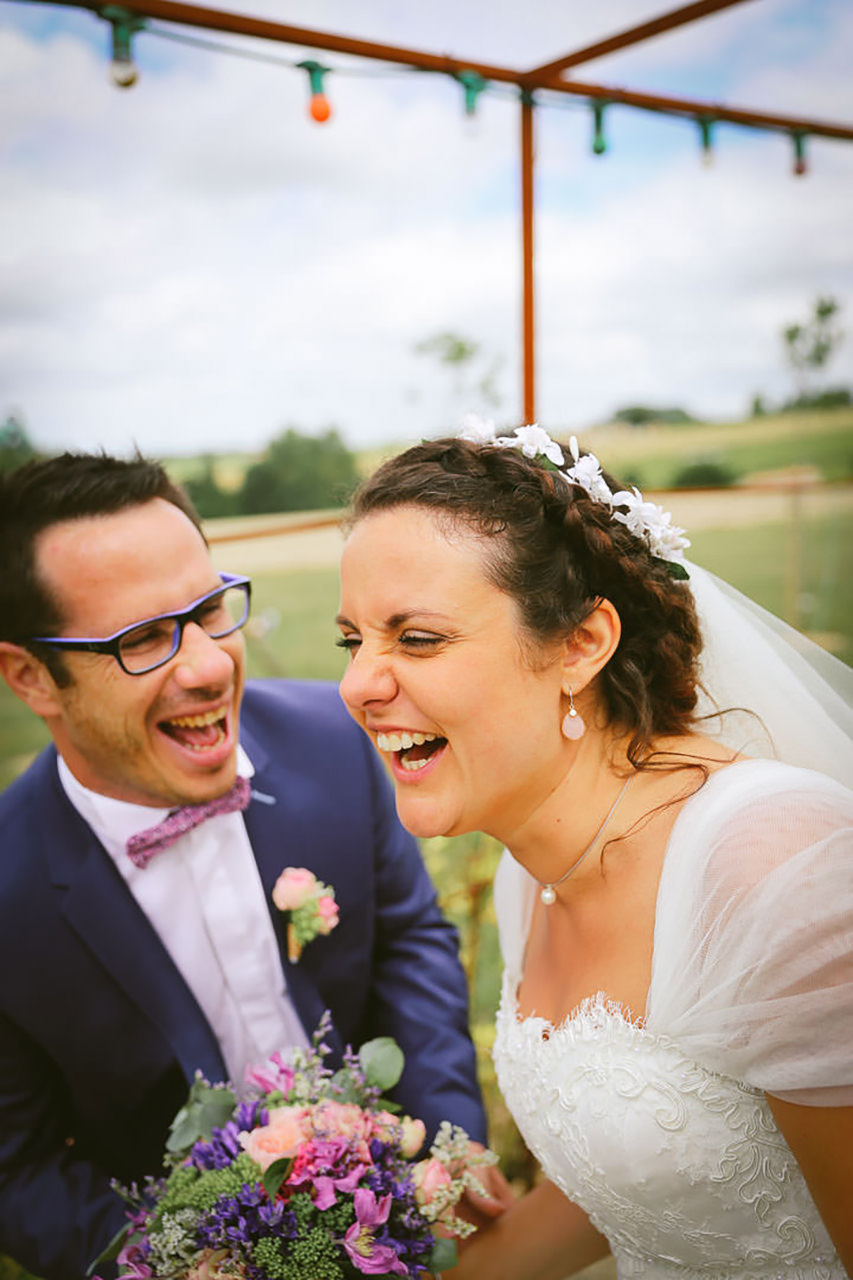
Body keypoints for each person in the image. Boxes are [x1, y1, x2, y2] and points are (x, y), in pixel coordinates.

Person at [336, 421, 853, 1278]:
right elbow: (645, 1185)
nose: (358, 684)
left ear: (580, 643)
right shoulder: (527, 873)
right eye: (353, 640)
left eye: (416, 638)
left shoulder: (769, 870)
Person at [0, 451, 491, 1280]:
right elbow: (19, 1165)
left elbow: (409, 941)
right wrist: (166, 1263)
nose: (207, 665)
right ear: (29, 676)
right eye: (142, 640)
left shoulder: (335, 743)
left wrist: (448, 1144)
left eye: (208, 611)